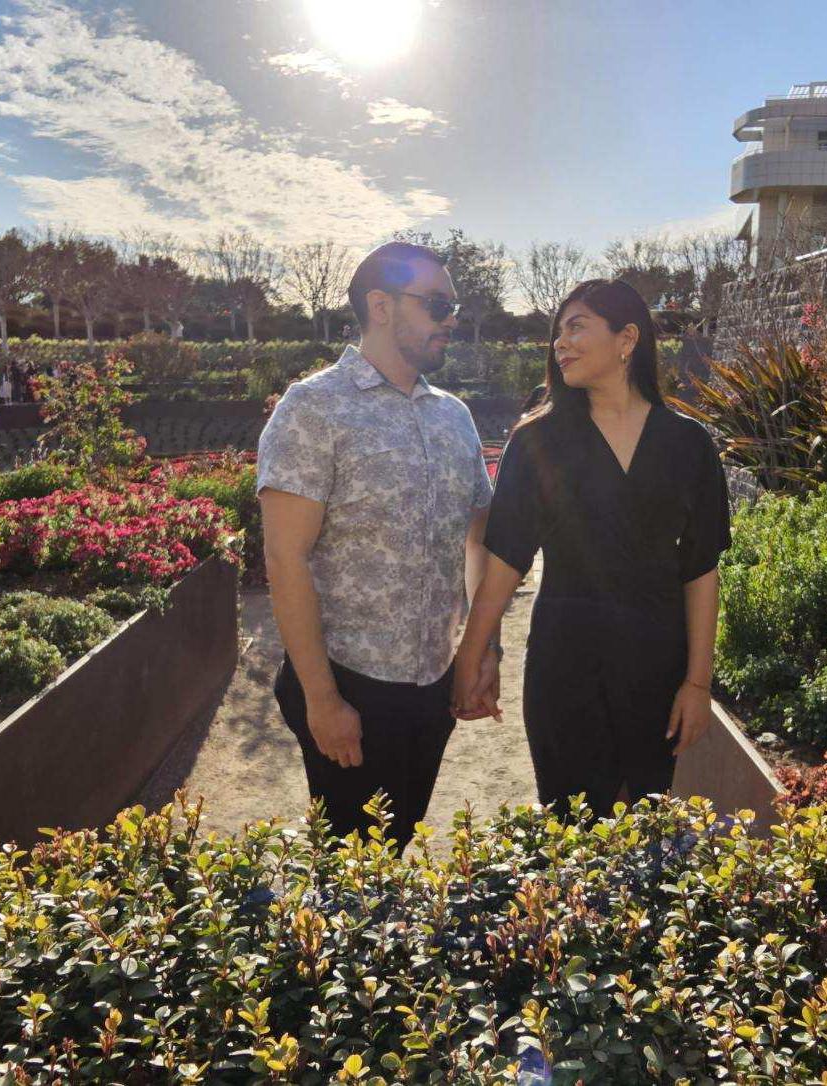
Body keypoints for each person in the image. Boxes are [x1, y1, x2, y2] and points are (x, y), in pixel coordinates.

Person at [452, 278, 732, 819]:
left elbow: (701, 569)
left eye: (577, 326)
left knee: (645, 827)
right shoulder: (537, 440)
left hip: (657, 664)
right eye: (557, 332)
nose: (561, 342)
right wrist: (473, 655)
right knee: (571, 826)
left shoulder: (689, 444)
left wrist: (698, 684)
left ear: (627, 338)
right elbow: (506, 561)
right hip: (565, 664)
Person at [257, 242, 497, 849]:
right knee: (350, 869)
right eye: (438, 304)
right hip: (350, 685)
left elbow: (477, 540)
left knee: (397, 845)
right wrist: (322, 698)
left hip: (434, 685)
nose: (452, 319)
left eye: (454, 305)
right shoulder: (313, 408)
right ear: (381, 306)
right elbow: (286, 559)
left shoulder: (454, 417)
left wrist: (481, 650)